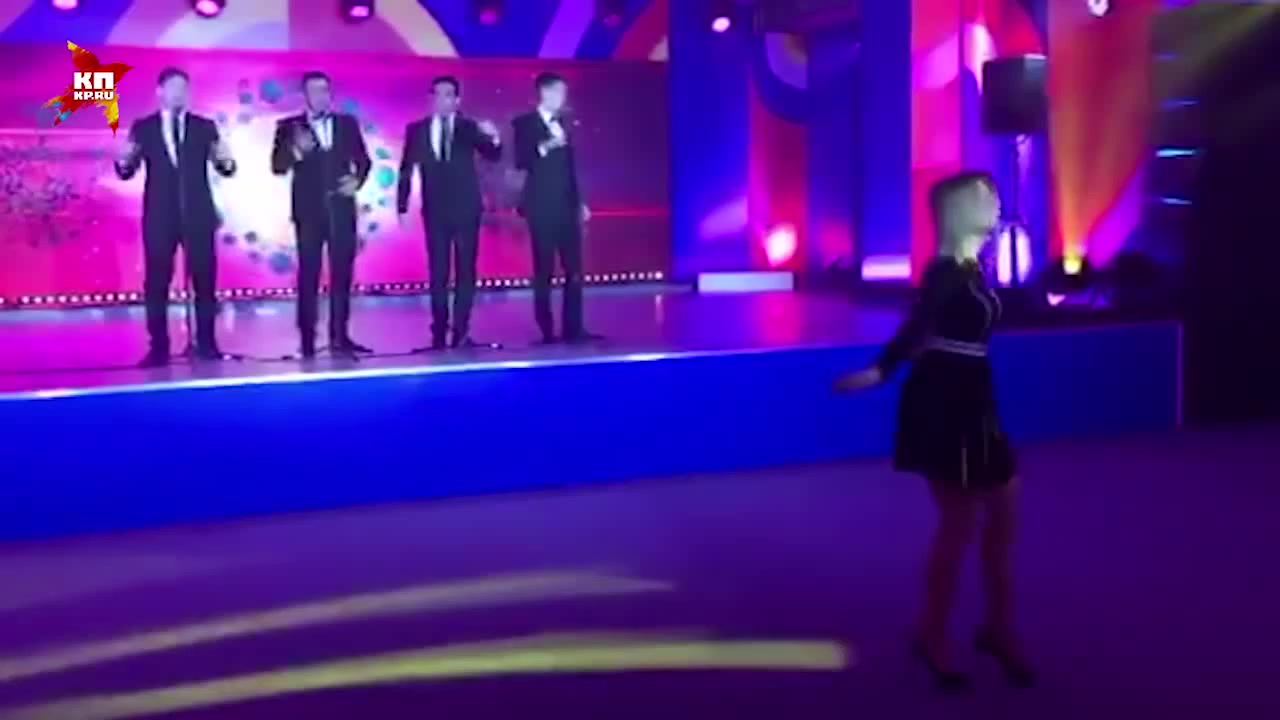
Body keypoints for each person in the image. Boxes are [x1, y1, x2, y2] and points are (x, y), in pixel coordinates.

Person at [835, 171, 1035, 692]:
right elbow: (916, 326)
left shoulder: (974, 268)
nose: (996, 204)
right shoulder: (944, 272)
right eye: (985, 198)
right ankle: (932, 633)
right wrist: (880, 370)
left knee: (1003, 516)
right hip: (945, 400)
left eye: (995, 196)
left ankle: (997, 628)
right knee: (959, 524)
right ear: (959, 210)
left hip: (977, 396)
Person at [114, 67, 236, 367]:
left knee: (204, 281)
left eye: (184, 88)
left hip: (198, 215)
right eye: (173, 88)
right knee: (157, 282)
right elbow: (127, 171)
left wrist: (227, 161)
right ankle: (158, 347)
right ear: (160, 92)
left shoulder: (204, 127)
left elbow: (225, 168)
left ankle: (207, 343)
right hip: (160, 217)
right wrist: (122, 161)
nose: (180, 94)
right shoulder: (144, 128)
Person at [397, 76, 503, 350]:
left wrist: (494, 137)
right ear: (430, 98)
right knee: (438, 272)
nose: (442, 100)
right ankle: (438, 332)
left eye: (448, 95)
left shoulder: (468, 128)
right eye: (437, 94)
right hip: (435, 210)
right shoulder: (417, 130)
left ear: (457, 100)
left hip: (466, 209)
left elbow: (492, 155)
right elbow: (406, 169)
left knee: (466, 271)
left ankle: (461, 332)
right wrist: (402, 206)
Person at [271, 71, 372, 358]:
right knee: (309, 275)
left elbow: (364, 161)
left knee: (342, 274)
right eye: (314, 91)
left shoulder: (347, 124)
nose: (321, 96)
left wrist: (357, 181)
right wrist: (296, 151)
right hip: (308, 212)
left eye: (325, 90)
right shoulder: (289, 126)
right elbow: (277, 166)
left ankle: (340, 337)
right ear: (305, 95)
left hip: (341, 210)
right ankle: (307, 340)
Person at [512, 72, 598, 344]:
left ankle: (574, 328)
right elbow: (521, 160)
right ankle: (546, 330)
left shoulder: (565, 124)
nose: (563, 98)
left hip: (567, 206)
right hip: (541, 207)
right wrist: (546, 145)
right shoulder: (524, 123)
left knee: (574, 269)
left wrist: (579, 201)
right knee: (544, 270)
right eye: (560, 92)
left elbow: (570, 169)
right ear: (545, 93)